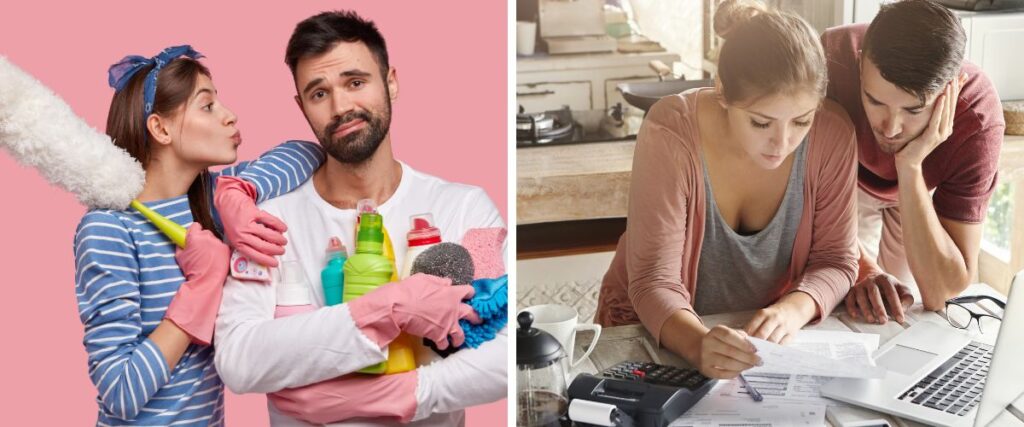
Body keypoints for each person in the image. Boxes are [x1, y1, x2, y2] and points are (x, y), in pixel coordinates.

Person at [213, 11, 508, 426]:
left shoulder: (464, 208)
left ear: (390, 82)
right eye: (319, 94)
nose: (341, 106)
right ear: (302, 107)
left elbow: (506, 351)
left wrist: (401, 394)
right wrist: (385, 310)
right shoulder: (266, 224)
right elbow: (239, 358)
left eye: (356, 82)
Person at [595, 0, 859, 380]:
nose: (782, 143)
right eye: (760, 122)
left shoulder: (833, 135)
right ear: (722, 92)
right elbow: (654, 279)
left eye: (801, 121)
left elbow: (836, 259)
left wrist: (792, 310)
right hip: (649, 330)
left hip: (753, 344)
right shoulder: (671, 132)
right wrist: (698, 343)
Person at [73, 46, 326, 425]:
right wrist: (201, 287)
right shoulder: (110, 228)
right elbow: (121, 391)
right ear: (159, 128)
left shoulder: (208, 200)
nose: (229, 116)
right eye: (207, 106)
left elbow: (307, 152)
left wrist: (238, 194)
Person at [822, 0, 1005, 324]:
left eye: (913, 110)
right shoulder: (829, 60)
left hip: (919, 185)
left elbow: (941, 291)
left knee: (903, 304)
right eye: (875, 100)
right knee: (846, 296)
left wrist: (909, 166)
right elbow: (793, 196)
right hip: (838, 179)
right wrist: (863, 269)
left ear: (951, 88)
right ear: (860, 64)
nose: (890, 129)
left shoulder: (977, 121)